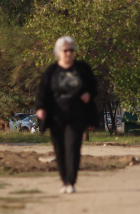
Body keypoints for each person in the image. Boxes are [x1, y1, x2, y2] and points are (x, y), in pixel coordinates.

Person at [35, 36, 99, 194]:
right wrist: (40, 108)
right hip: (56, 117)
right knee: (59, 149)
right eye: (65, 50)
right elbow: (42, 92)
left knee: (73, 147)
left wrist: (88, 94)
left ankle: (71, 181)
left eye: (71, 50)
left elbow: (93, 85)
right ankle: (64, 180)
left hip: (77, 115)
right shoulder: (52, 71)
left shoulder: (82, 68)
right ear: (58, 53)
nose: (69, 53)